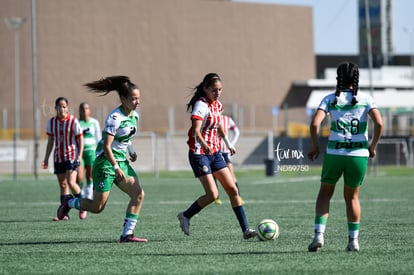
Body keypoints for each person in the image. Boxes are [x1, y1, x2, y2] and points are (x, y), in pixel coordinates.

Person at [57, 75, 147, 243]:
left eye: (138, 99)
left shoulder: (134, 115)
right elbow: (107, 146)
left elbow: (126, 138)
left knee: (139, 194)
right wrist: (115, 167)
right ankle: (69, 203)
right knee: (97, 208)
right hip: (106, 162)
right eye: (133, 99)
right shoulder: (115, 118)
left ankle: (127, 234)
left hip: (121, 162)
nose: (137, 102)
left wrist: (132, 151)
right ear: (123, 99)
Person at [307, 62, 383, 252]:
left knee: (325, 193)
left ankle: (318, 236)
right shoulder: (366, 98)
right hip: (358, 155)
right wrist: (372, 146)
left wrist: (315, 147)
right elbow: (379, 124)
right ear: (356, 78)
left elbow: (315, 124)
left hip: (334, 153)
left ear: (338, 78)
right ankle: (353, 241)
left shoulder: (330, 99)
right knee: (352, 197)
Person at [177, 73, 256, 240]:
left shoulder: (217, 105)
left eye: (220, 90)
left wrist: (228, 143)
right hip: (200, 154)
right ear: (205, 89)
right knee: (213, 195)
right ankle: (185, 215)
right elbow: (196, 130)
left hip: (215, 153)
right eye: (214, 90)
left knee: (233, 190)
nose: (218, 93)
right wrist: (204, 145)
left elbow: (219, 125)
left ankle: (246, 230)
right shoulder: (201, 105)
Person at [42, 97, 84, 221]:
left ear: (67, 108)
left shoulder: (73, 121)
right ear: (55, 108)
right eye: (60, 106)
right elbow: (50, 142)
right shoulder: (51, 122)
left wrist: (80, 155)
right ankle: (64, 213)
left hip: (71, 156)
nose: (62, 109)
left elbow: (80, 139)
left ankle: (83, 206)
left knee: (71, 182)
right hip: (58, 157)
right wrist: (46, 158)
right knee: (63, 185)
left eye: (64, 106)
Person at [76, 102, 102, 219]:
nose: (84, 110)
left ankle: (87, 201)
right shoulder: (76, 122)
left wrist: (99, 153)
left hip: (92, 152)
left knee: (90, 177)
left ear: (89, 110)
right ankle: (81, 200)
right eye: (82, 109)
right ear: (79, 111)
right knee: (79, 177)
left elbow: (99, 139)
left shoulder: (94, 122)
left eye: (86, 108)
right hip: (80, 153)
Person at [214, 114, 243, 205]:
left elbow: (236, 132)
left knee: (231, 174)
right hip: (214, 151)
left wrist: (231, 144)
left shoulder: (227, 120)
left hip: (225, 152)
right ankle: (216, 197)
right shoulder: (210, 117)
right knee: (214, 175)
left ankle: (238, 196)